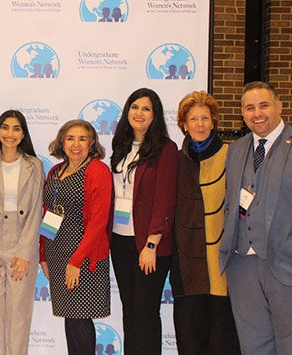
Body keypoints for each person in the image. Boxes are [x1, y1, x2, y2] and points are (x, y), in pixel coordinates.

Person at [220, 81, 292, 354]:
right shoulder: (237, 148)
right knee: (253, 343)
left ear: (279, 106)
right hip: (242, 263)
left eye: (264, 105)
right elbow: (232, 202)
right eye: (250, 108)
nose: (257, 113)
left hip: (288, 263)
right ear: (242, 114)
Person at [109, 88, 179, 355]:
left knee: (146, 312)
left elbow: (165, 200)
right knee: (130, 310)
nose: (139, 113)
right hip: (120, 239)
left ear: (155, 115)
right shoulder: (121, 147)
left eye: (146, 109)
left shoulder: (166, 149)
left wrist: (151, 244)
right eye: (135, 107)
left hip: (149, 244)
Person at [171, 91, 240, 354]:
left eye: (205, 118)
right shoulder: (175, 161)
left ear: (213, 122)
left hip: (224, 263)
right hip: (187, 265)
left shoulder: (232, 156)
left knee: (223, 339)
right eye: (193, 119)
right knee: (189, 338)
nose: (199, 124)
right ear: (184, 124)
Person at [0, 110, 43, 355]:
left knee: (18, 317)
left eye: (16, 128)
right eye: (5, 127)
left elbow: (36, 212)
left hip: (22, 245)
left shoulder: (34, 165)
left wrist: (25, 253)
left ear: (23, 133)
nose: (10, 134)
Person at [39, 119, 111, 354]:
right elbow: (49, 214)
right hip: (57, 256)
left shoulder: (97, 170)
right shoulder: (55, 171)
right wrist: (43, 254)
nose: (76, 144)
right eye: (70, 138)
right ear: (62, 142)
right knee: (70, 318)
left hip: (82, 258)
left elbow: (98, 222)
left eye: (82, 139)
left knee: (80, 318)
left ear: (91, 143)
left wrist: (76, 261)